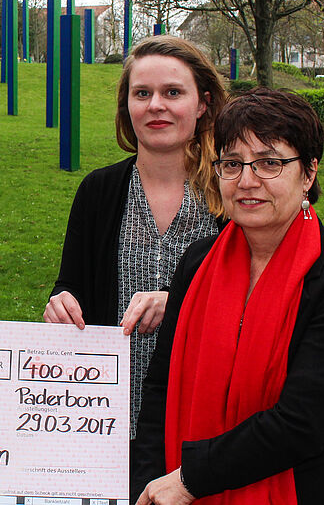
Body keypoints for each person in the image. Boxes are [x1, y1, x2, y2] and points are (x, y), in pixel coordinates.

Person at [132, 88, 324, 505]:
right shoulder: (198, 262)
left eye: (269, 163)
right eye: (232, 164)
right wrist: (148, 481)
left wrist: (190, 479)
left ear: (308, 173)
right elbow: (160, 386)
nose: (247, 181)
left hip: (300, 490)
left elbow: (304, 422)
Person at [44, 36, 227, 440]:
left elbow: (253, 298)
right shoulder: (99, 191)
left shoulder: (232, 192)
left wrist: (178, 302)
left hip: (205, 422)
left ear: (202, 103)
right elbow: (71, 284)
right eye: (142, 93)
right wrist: (62, 302)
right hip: (109, 421)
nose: (156, 105)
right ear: (127, 105)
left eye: (173, 92)